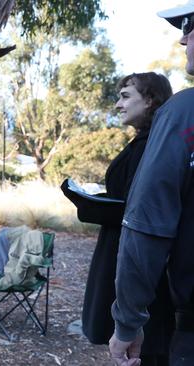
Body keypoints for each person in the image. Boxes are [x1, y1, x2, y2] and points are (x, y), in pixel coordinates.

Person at [64, 73, 174, 365]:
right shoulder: (145, 143)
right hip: (123, 251)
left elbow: (142, 211)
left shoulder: (154, 148)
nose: (118, 105)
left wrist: (90, 205)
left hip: (140, 261)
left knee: (146, 350)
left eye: (126, 96)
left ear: (150, 100)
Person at [109, 3, 194, 366]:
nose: (183, 39)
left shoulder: (184, 113)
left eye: (191, 27)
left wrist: (127, 323)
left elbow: (147, 224)